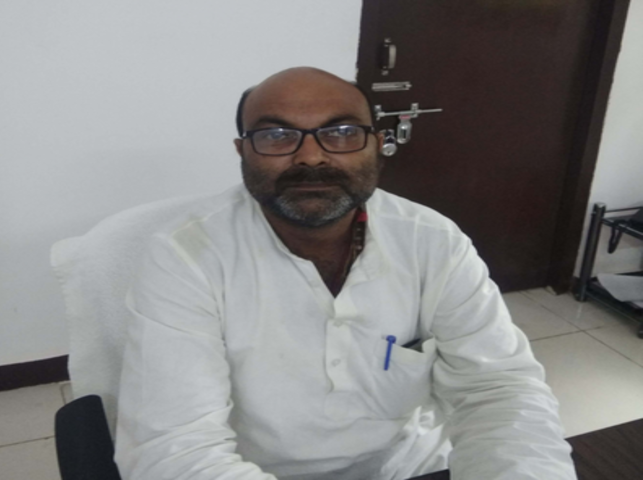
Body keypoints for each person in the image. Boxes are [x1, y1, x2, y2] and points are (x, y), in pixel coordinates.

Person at [114, 67, 576, 480]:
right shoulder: (185, 256)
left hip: (407, 466)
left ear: (377, 144)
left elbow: (499, 390)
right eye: (276, 135)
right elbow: (175, 448)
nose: (311, 157)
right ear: (242, 152)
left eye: (341, 132)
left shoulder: (433, 241)